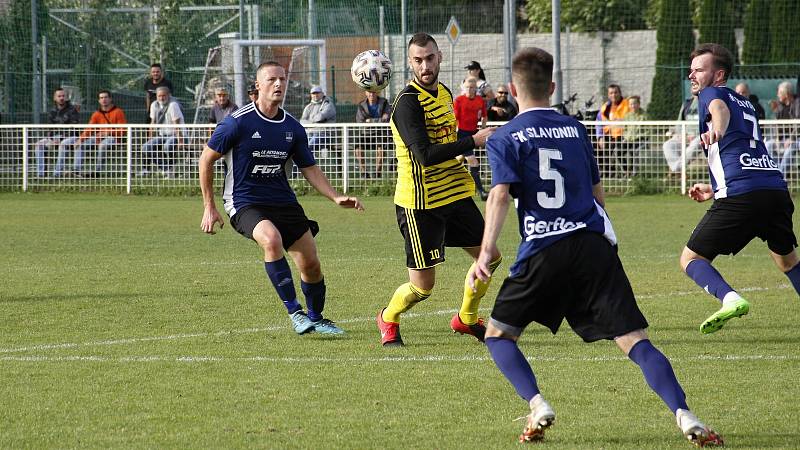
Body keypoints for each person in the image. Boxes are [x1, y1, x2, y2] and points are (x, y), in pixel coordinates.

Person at [470, 46, 723, 447]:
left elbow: (499, 195)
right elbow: (598, 198)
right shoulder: (575, 129)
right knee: (635, 341)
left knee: (499, 336)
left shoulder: (505, 136)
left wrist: (485, 252)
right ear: (552, 86)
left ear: (514, 91)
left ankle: (538, 404)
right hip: (592, 246)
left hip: (543, 249)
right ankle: (685, 414)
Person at [199, 61, 363, 335]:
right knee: (271, 240)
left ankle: (317, 317)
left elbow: (309, 167)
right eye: (272, 79)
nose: (278, 84)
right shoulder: (236, 123)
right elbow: (206, 161)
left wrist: (335, 197)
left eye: (283, 79)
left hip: (284, 202)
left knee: (310, 263)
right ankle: (295, 313)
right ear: (258, 86)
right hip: (244, 202)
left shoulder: (293, 127)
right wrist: (209, 207)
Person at [375, 33, 498, 347]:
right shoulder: (407, 104)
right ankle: (388, 317)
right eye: (418, 60)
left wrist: (460, 150)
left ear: (440, 57)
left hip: (454, 193)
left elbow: (445, 141)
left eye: (429, 58)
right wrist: (473, 141)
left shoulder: (443, 93)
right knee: (423, 288)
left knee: (491, 257)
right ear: (410, 62)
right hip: (420, 202)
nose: (425, 65)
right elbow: (423, 156)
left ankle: (466, 319)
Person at [681, 43, 800, 335]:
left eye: (699, 69)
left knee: (691, 259)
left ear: (719, 75)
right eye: (691, 70)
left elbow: (718, 111)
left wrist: (717, 129)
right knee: (788, 261)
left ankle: (730, 298)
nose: (692, 75)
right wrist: (714, 187)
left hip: (742, 195)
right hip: (773, 189)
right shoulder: (744, 102)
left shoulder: (713, 94)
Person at [74, 90, 127, 176]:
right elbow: (89, 129)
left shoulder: (118, 112)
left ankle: (97, 172)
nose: (104, 99)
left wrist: (108, 133)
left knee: (102, 145)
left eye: (106, 97)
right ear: (99, 100)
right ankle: (76, 170)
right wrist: (80, 139)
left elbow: (123, 130)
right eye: (101, 98)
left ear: (110, 99)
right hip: (99, 138)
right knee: (80, 144)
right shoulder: (96, 114)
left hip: (115, 138)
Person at [454, 77, 490, 200]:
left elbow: (484, 117)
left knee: (458, 159)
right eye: (468, 87)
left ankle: (449, 174)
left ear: (476, 88)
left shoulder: (480, 100)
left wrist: (482, 130)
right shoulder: (459, 100)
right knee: (474, 162)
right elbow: (454, 119)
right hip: (462, 135)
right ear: (464, 88)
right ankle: (481, 192)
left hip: (474, 134)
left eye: (472, 87)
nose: (470, 89)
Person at [34, 88, 80, 178]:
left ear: (66, 97)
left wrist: (60, 139)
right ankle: (40, 174)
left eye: (63, 96)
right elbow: (49, 128)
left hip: (72, 137)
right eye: (59, 96)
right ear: (55, 98)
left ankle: (57, 174)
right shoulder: (52, 111)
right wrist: (51, 139)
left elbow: (74, 127)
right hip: (55, 137)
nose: (61, 98)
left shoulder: (73, 110)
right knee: (38, 144)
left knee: (62, 144)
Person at [140, 86, 185, 178]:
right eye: (159, 96)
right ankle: (166, 168)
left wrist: (181, 141)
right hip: (162, 135)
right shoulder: (154, 105)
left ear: (168, 95)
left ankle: (171, 168)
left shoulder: (173, 105)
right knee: (145, 147)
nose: (161, 98)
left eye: (164, 95)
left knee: (167, 146)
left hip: (176, 134)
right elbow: (152, 123)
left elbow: (176, 124)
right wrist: (150, 138)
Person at [354, 90, 391, 178]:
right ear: (365, 93)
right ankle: (364, 173)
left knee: (381, 149)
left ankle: (377, 173)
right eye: (369, 92)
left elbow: (387, 118)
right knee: (358, 149)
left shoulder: (384, 102)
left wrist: (371, 121)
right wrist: (379, 120)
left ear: (377, 93)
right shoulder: (361, 105)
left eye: (373, 92)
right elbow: (360, 121)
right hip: (366, 133)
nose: (371, 94)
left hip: (380, 132)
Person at [662, 97, 703, 176]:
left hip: (701, 136)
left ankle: (676, 169)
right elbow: (679, 123)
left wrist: (695, 135)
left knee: (695, 144)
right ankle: (678, 169)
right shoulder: (687, 103)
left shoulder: (710, 102)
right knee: (668, 145)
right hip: (685, 134)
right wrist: (680, 134)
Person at [596, 84, 630, 177]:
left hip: (624, 135)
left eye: (615, 92)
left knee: (617, 148)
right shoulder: (605, 107)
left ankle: (627, 172)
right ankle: (607, 173)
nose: (613, 95)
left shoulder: (627, 105)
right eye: (611, 93)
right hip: (608, 135)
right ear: (608, 95)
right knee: (598, 147)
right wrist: (600, 137)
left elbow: (634, 118)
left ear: (620, 93)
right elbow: (599, 123)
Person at [767, 82, 800, 175]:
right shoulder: (780, 106)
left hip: (796, 139)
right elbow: (776, 125)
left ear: (787, 93)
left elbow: (798, 124)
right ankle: (775, 172)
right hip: (784, 139)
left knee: (791, 148)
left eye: (780, 93)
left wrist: (791, 139)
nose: (777, 95)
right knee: (769, 144)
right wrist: (777, 139)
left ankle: (781, 176)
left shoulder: (797, 103)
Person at [300, 85, 336, 159]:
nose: (315, 95)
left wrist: (310, 121)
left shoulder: (328, 104)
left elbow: (320, 117)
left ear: (322, 94)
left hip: (325, 134)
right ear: (311, 95)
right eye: (313, 93)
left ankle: (306, 166)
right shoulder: (308, 107)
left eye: (317, 93)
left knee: (309, 145)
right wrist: (314, 122)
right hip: (310, 133)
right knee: (299, 145)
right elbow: (302, 121)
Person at [619, 95, 647, 176]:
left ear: (639, 104)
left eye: (635, 103)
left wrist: (639, 137)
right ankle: (626, 171)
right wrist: (625, 138)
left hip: (640, 140)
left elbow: (647, 131)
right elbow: (625, 129)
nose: (633, 106)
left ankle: (635, 173)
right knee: (617, 151)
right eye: (631, 104)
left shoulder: (644, 115)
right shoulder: (627, 116)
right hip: (629, 140)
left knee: (634, 151)